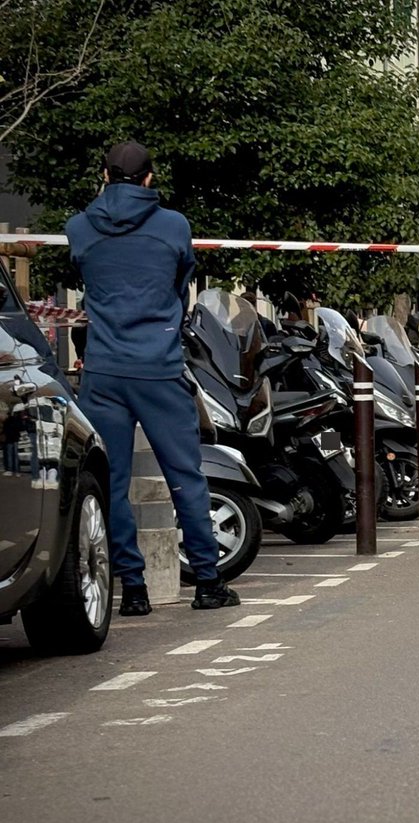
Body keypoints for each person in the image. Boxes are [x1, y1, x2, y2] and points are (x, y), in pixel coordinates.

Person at [65, 140, 239, 615]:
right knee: (185, 475)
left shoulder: (79, 228)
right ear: (149, 178)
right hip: (159, 367)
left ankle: (133, 591)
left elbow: (82, 273)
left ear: (103, 175)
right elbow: (181, 280)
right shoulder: (173, 226)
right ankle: (207, 581)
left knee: (111, 483)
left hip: (103, 368)